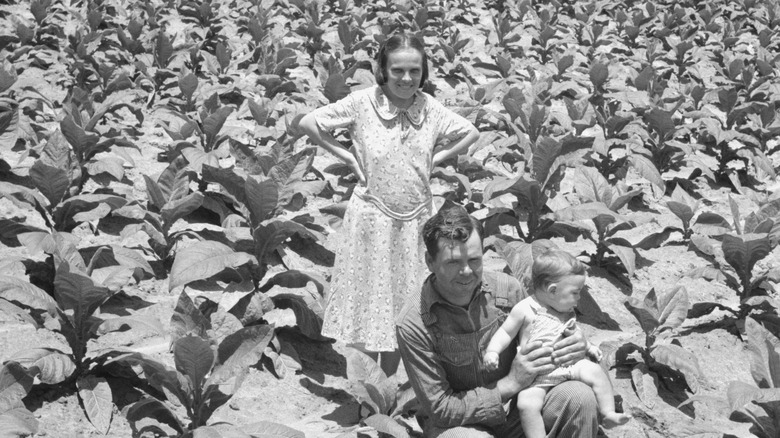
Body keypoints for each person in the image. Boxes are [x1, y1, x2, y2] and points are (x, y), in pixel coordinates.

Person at [298, 33, 479, 376]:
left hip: (415, 220)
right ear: (382, 70)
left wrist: (436, 157)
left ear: (424, 73)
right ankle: (366, 388)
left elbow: (470, 131)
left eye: (415, 71)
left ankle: (390, 383)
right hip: (371, 216)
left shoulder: (430, 107)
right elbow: (309, 123)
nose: (407, 79)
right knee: (366, 299)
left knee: (404, 300)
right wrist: (345, 155)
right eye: (397, 70)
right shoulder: (362, 102)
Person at [396, 206, 599, 437]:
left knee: (578, 397)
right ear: (430, 262)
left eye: (474, 260)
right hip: (463, 425)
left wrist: (576, 344)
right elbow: (441, 409)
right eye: (453, 262)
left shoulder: (508, 289)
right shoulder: (414, 323)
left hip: (522, 412)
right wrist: (510, 384)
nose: (466, 271)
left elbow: (549, 332)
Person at [484, 249, 631, 438]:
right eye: (575, 293)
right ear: (552, 290)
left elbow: (574, 334)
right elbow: (505, 332)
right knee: (526, 404)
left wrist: (589, 347)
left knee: (596, 372)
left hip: (567, 366)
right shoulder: (525, 309)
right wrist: (492, 352)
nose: (579, 298)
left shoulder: (565, 310)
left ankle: (608, 413)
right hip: (535, 376)